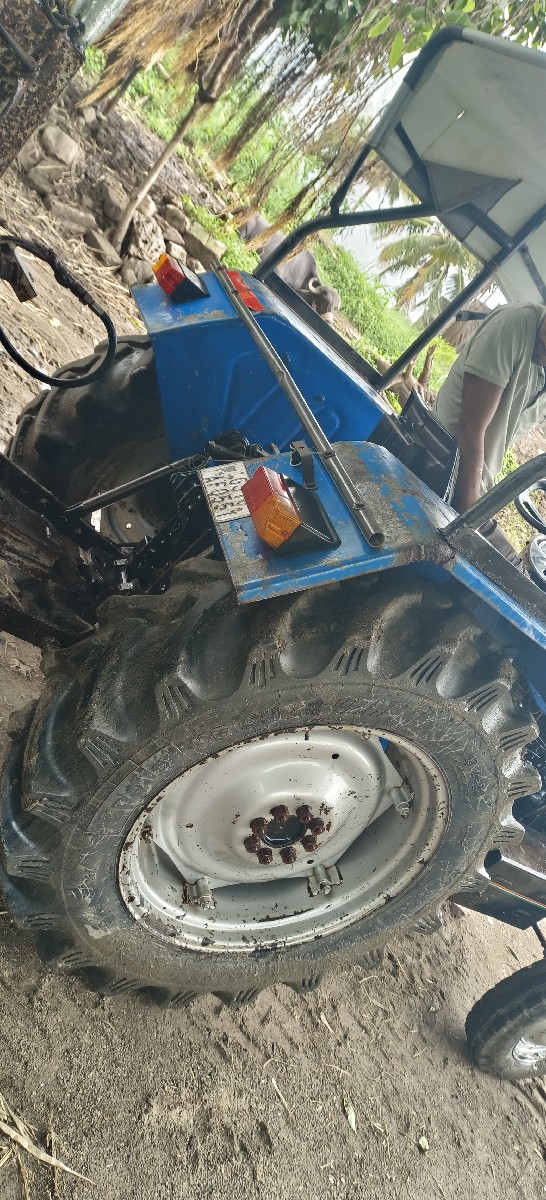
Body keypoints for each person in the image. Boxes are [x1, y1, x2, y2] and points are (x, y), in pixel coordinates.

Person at [434, 303, 546, 513]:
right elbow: (469, 429)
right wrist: (467, 519)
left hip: (475, 485)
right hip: (436, 465)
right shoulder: (513, 324)